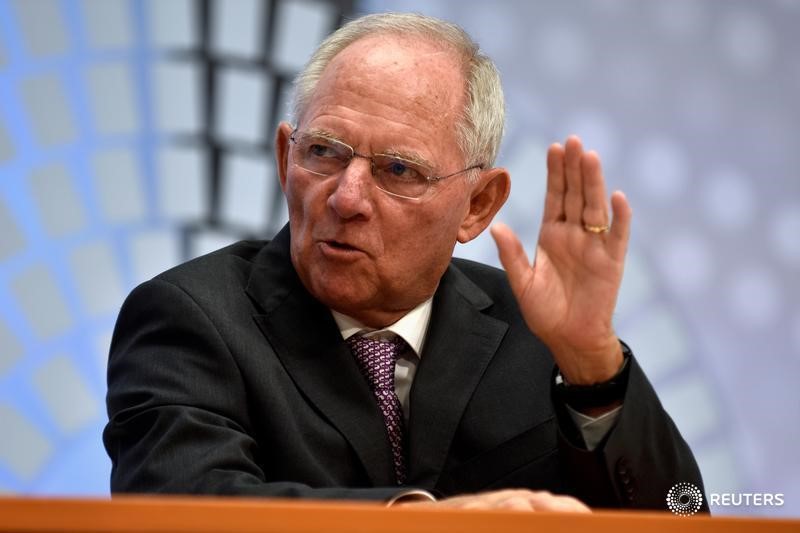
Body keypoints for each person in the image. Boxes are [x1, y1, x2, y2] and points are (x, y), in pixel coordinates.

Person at [104, 12, 705, 512]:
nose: (346, 197)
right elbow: (185, 507)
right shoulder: (190, 319)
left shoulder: (536, 330)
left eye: (398, 171)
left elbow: (685, 513)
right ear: (286, 159)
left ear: (478, 204)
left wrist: (593, 366)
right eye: (324, 153)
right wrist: (424, 522)